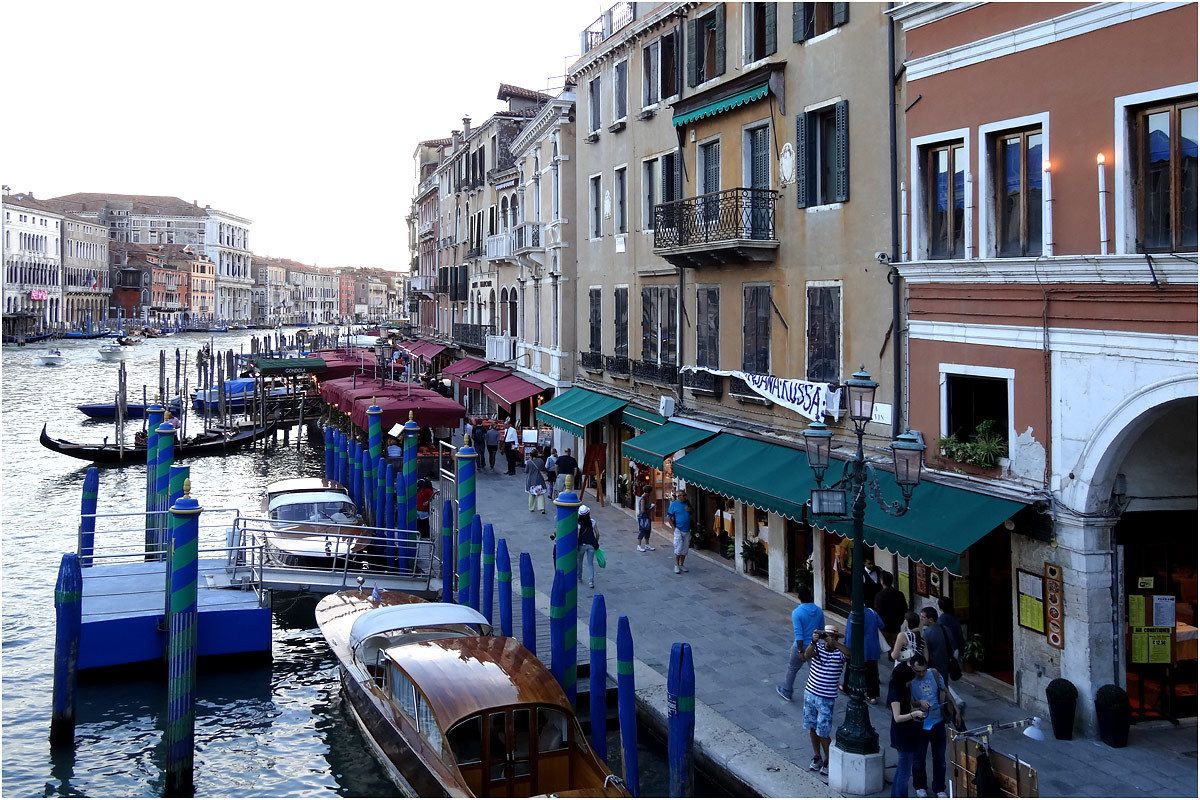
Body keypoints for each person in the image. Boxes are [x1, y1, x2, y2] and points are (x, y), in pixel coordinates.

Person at [909, 653, 959, 798]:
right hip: (921, 724)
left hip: (938, 721)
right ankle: (920, 785)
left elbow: (946, 692)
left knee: (940, 758)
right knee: (919, 757)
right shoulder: (910, 680)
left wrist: (956, 711)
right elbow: (908, 702)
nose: (921, 673)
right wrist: (919, 703)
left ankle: (939, 787)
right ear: (912, 668)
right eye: (918, 671)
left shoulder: (934, 674)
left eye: (923, 670)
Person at [802, 625, 849, 777]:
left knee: (823, 731)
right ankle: (817, 756)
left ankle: (829, 759)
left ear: (835, 638)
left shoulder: (840, 653)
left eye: (830, 637)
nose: (826, 640)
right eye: (825, 636)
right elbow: (805, 656)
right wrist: (813, 642)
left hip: (826, 698)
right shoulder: (818, 649)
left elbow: (851, 655)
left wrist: (835, 644)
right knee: (811, 727)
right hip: (810, 694)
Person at [776, 584, 824, 701]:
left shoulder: (797, 613)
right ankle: (818, 695)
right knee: (816, 672)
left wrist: (800, 651)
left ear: (799, 597)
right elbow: (821, 630)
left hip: (801, 646)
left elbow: (799, 636)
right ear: (811, 596)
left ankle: (787, 691)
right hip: (815, 646)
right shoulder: (819, 611)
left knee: (792, 668)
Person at [887, 662, 925, 798]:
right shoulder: (895, 693)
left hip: (907, 731)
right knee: (904, 772)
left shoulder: (902, 688)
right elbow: (897, 717)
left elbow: (907, 704)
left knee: (902, 770)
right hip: (901, 734)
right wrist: (914, 714)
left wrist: (918, 704)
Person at [843, 604, 886, 703]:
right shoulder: (872, 612)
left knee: (851, 668)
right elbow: (882, 625)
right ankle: (873, 695)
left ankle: (847, 688)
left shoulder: (853, 614)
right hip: (871, 647)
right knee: (872, 671)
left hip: (858, 648)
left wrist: (847, 647)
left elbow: (849, 633)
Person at [874, 572, 909, 647]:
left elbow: (878, 613)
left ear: (882, 581)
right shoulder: (899, 594)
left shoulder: (879, 596)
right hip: (896, 626)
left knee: (886, 647)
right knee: (896, 646)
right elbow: (905, 609)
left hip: (885, 628)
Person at [919, 607, 952, 683]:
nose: (921, 619)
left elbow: (925, 651)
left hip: (934, 666)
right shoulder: (946, 629)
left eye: (923, 617)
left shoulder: (927, 632)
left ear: (930, 619)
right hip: (946, 664)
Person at [665, 489, 692, 575]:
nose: (682, 497)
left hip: (687, 529)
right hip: (678, 529)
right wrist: (673, 528)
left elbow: (692, 512)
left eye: (683, 495)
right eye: (680, 496)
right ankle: (676, 565)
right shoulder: (674, 504)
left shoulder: (687, 503)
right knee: (678, 547)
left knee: (685, 548)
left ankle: (682, 564)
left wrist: (690, 510)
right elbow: (669, 517)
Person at [576, 505, 600, 589]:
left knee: (579, 562)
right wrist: (595, 541)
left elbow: (578, 536)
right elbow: (597, 534)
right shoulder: (592, 522)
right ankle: (591, 582)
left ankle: (579, 578)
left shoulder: (578, 524)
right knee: (590, 564)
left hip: (582, 545)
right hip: (591, 545)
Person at [937, 597, 966, 661]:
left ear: (940, 608)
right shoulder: (954, 618)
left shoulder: (941, 620)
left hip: (949, 649)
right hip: (957, 647)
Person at [634, 483, 656, 552]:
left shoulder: (646, 497)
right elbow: (643, 510)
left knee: (647, 531)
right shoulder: (643, 499)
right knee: (643, 530)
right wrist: (651, 507)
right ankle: (639, 546)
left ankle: (647, 545)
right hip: (643, 517)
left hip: (646, 516)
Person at [526, 448, 548, 513]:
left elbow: (526, 471)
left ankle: (531, 508)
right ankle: (542, 508)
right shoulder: (540, 460)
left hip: (531, 480)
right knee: (540, 494)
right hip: (539, 479)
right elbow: (543, 468)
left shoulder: (529, 462)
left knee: (531, 494)